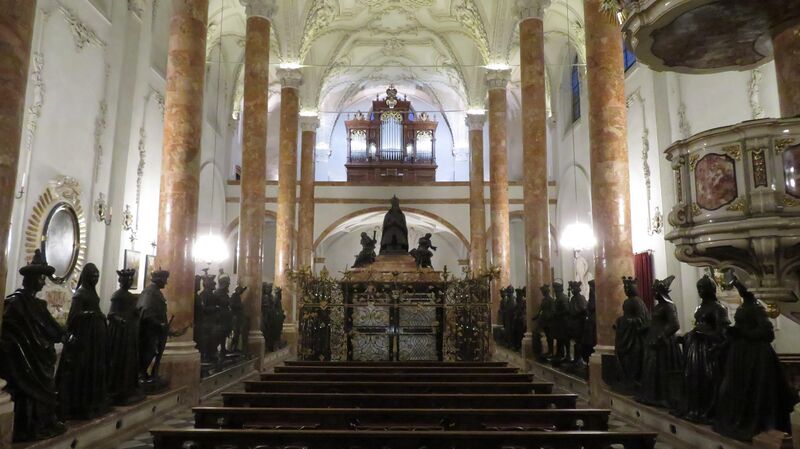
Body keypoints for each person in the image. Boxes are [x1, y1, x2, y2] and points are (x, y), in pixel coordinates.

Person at [713, 277, 798, 441]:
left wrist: (742, 333)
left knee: (756, 391)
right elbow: (739, 329)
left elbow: (767, 333)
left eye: (741, 287)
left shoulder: (757, 308)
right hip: (742, 355)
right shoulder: (744, 306)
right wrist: (727, 339)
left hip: (756, 357)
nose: (739, 289)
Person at [0, 250, 66, 441]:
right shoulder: (15, 303)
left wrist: (61, 334)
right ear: (32, 279)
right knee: (29, 390)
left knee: (43, 390)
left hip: (39, 357)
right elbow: (10, 333)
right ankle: (30, 425)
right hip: (24, 358)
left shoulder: (38, 305)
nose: (44, 282)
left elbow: (51, 326)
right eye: (41, 278)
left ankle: (40, 422)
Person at [673, 275, 730, 423]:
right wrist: (685, 337)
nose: (700, 291)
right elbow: (696, 327)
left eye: (703, 288)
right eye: (699, 288)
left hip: (708, 349)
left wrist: (706, 334)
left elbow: (722, 332)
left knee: (707, 378)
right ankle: (693, 408)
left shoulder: (719, 308)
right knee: (691, 377)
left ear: (711, 289)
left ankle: (706, 409)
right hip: (695, 348)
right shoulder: (700, 307)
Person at [56, 263, 109, 420]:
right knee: (83, 370)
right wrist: (92, 314)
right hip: (84, 340)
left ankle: (92, 401)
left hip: (94, 341)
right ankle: (80, 404)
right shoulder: (80, 294)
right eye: (93, 276)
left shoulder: (91, 292)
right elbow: (74, 316)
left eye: (97, 277)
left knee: (93, 369)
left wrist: (100, 316)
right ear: (86, 277)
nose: (96, 279)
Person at [636, 276, 682, 409]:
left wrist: (661, 335)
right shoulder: (659, 306)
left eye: (656, 291)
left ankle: (662, 396)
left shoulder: (669, 305)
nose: (654, 294)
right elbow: (654, 321)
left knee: (660, 368)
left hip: (663, 343)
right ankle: (651, 395)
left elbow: (675, 324)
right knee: (651, 368)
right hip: (653, 340)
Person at [107, 268, 144, 405]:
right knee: (119, 359)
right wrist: (121, 320)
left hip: (129, 333)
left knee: (129, 360)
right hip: (120, 334)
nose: (129, 282)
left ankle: (128, 387)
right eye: (127, 280)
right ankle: (119, 388)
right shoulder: (118, 296)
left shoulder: (129, 296)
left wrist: (135, 313)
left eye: (130, 280)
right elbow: (111, 314)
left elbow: (131, 311)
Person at [614, 276, 650, 392]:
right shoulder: (627, 301)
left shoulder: (637, 301)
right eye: (625, 287)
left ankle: (633, 380)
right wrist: (620, 321)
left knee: (633, 358)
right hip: (625, 334)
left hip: (634, 337)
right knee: (624, 358)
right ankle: (627, 379)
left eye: (628, 287)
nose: (626, 289)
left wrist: (629, 321)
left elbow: (643, 319)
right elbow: (626, 316)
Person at [137, 269, 170, 391]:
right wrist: (160, 324)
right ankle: (141, 373)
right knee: (148, 352)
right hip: (149, 331)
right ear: (159, 280)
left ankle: (145, 373)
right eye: (165, 280)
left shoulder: (155, 292)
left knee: (152, 352)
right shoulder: (150, 293)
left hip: (155, 331)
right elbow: (146, 313)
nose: (166, 283)